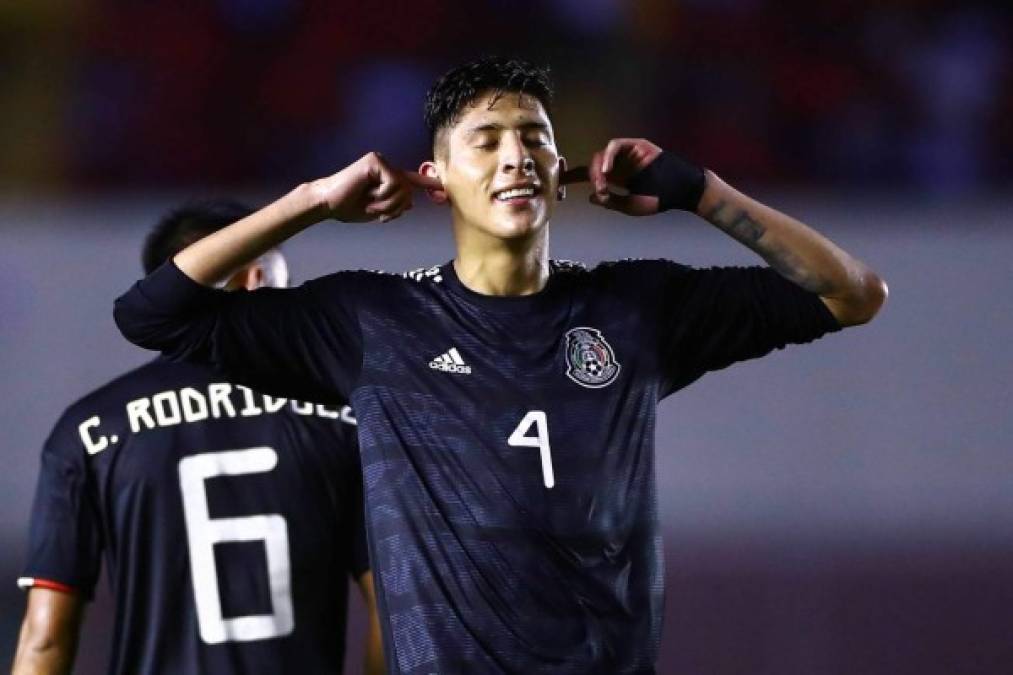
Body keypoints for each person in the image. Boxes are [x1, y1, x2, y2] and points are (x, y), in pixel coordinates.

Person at [113, 57, 887, 674]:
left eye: (534, 136)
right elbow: (151, 313)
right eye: (485, 139)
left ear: (559, 169)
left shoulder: (637, 306)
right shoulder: (371, 321)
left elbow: (851, 292)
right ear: (436, 178)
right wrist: (313, 200)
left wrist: (699, 191)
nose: (516, 155)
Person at [13, 201, 384, 675]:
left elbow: (45, 637)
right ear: (256, 277)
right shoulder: (343, 416)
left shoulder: (87, 430)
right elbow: (391, 607)